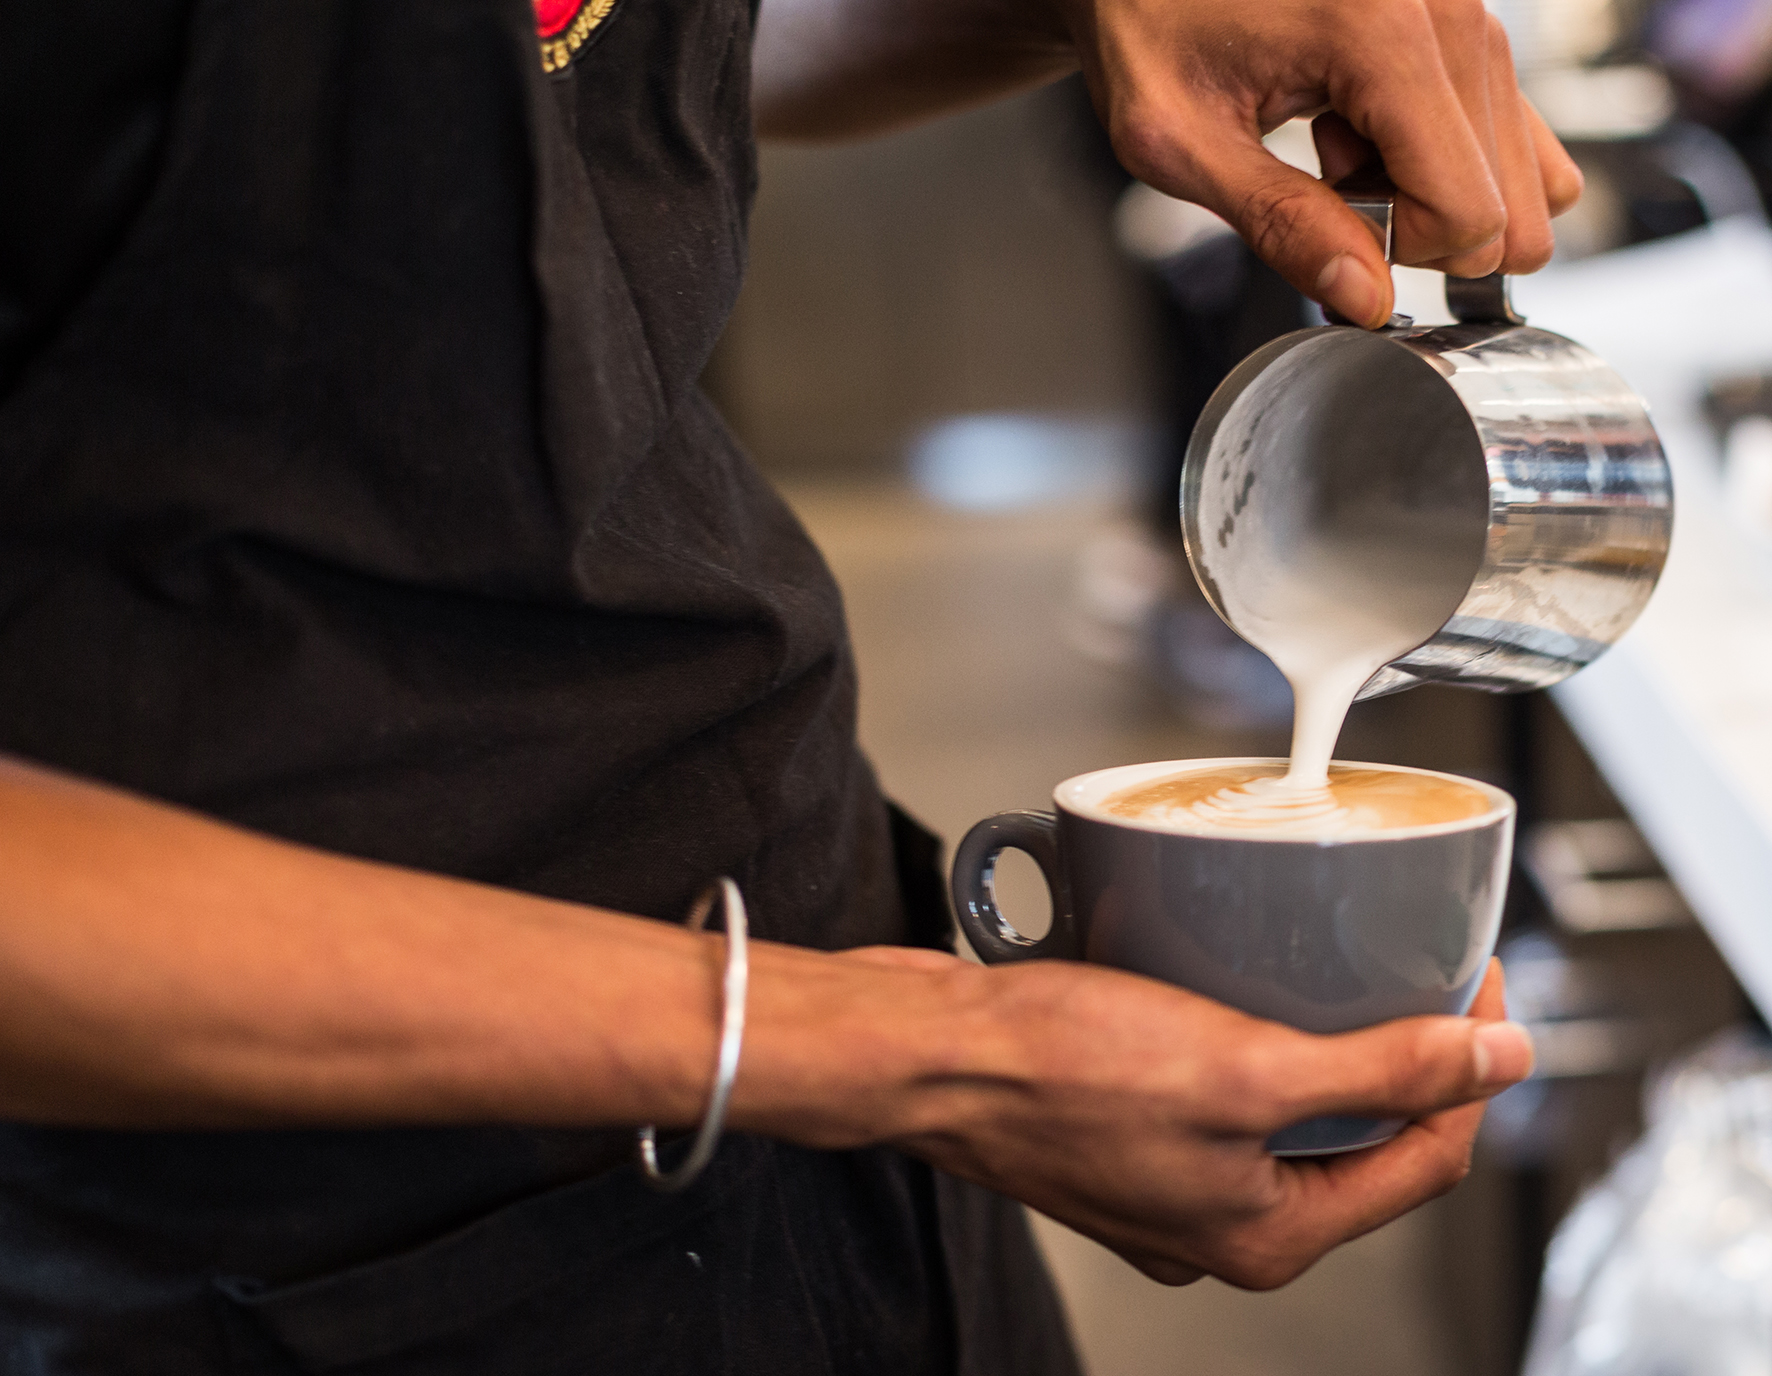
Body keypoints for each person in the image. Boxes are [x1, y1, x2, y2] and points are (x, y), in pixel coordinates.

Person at [0, 0, 1572, 1370]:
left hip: (844, 1084)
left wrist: (1078, 8)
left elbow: (599, 60)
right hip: (285, 1239)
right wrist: (894, 1053)